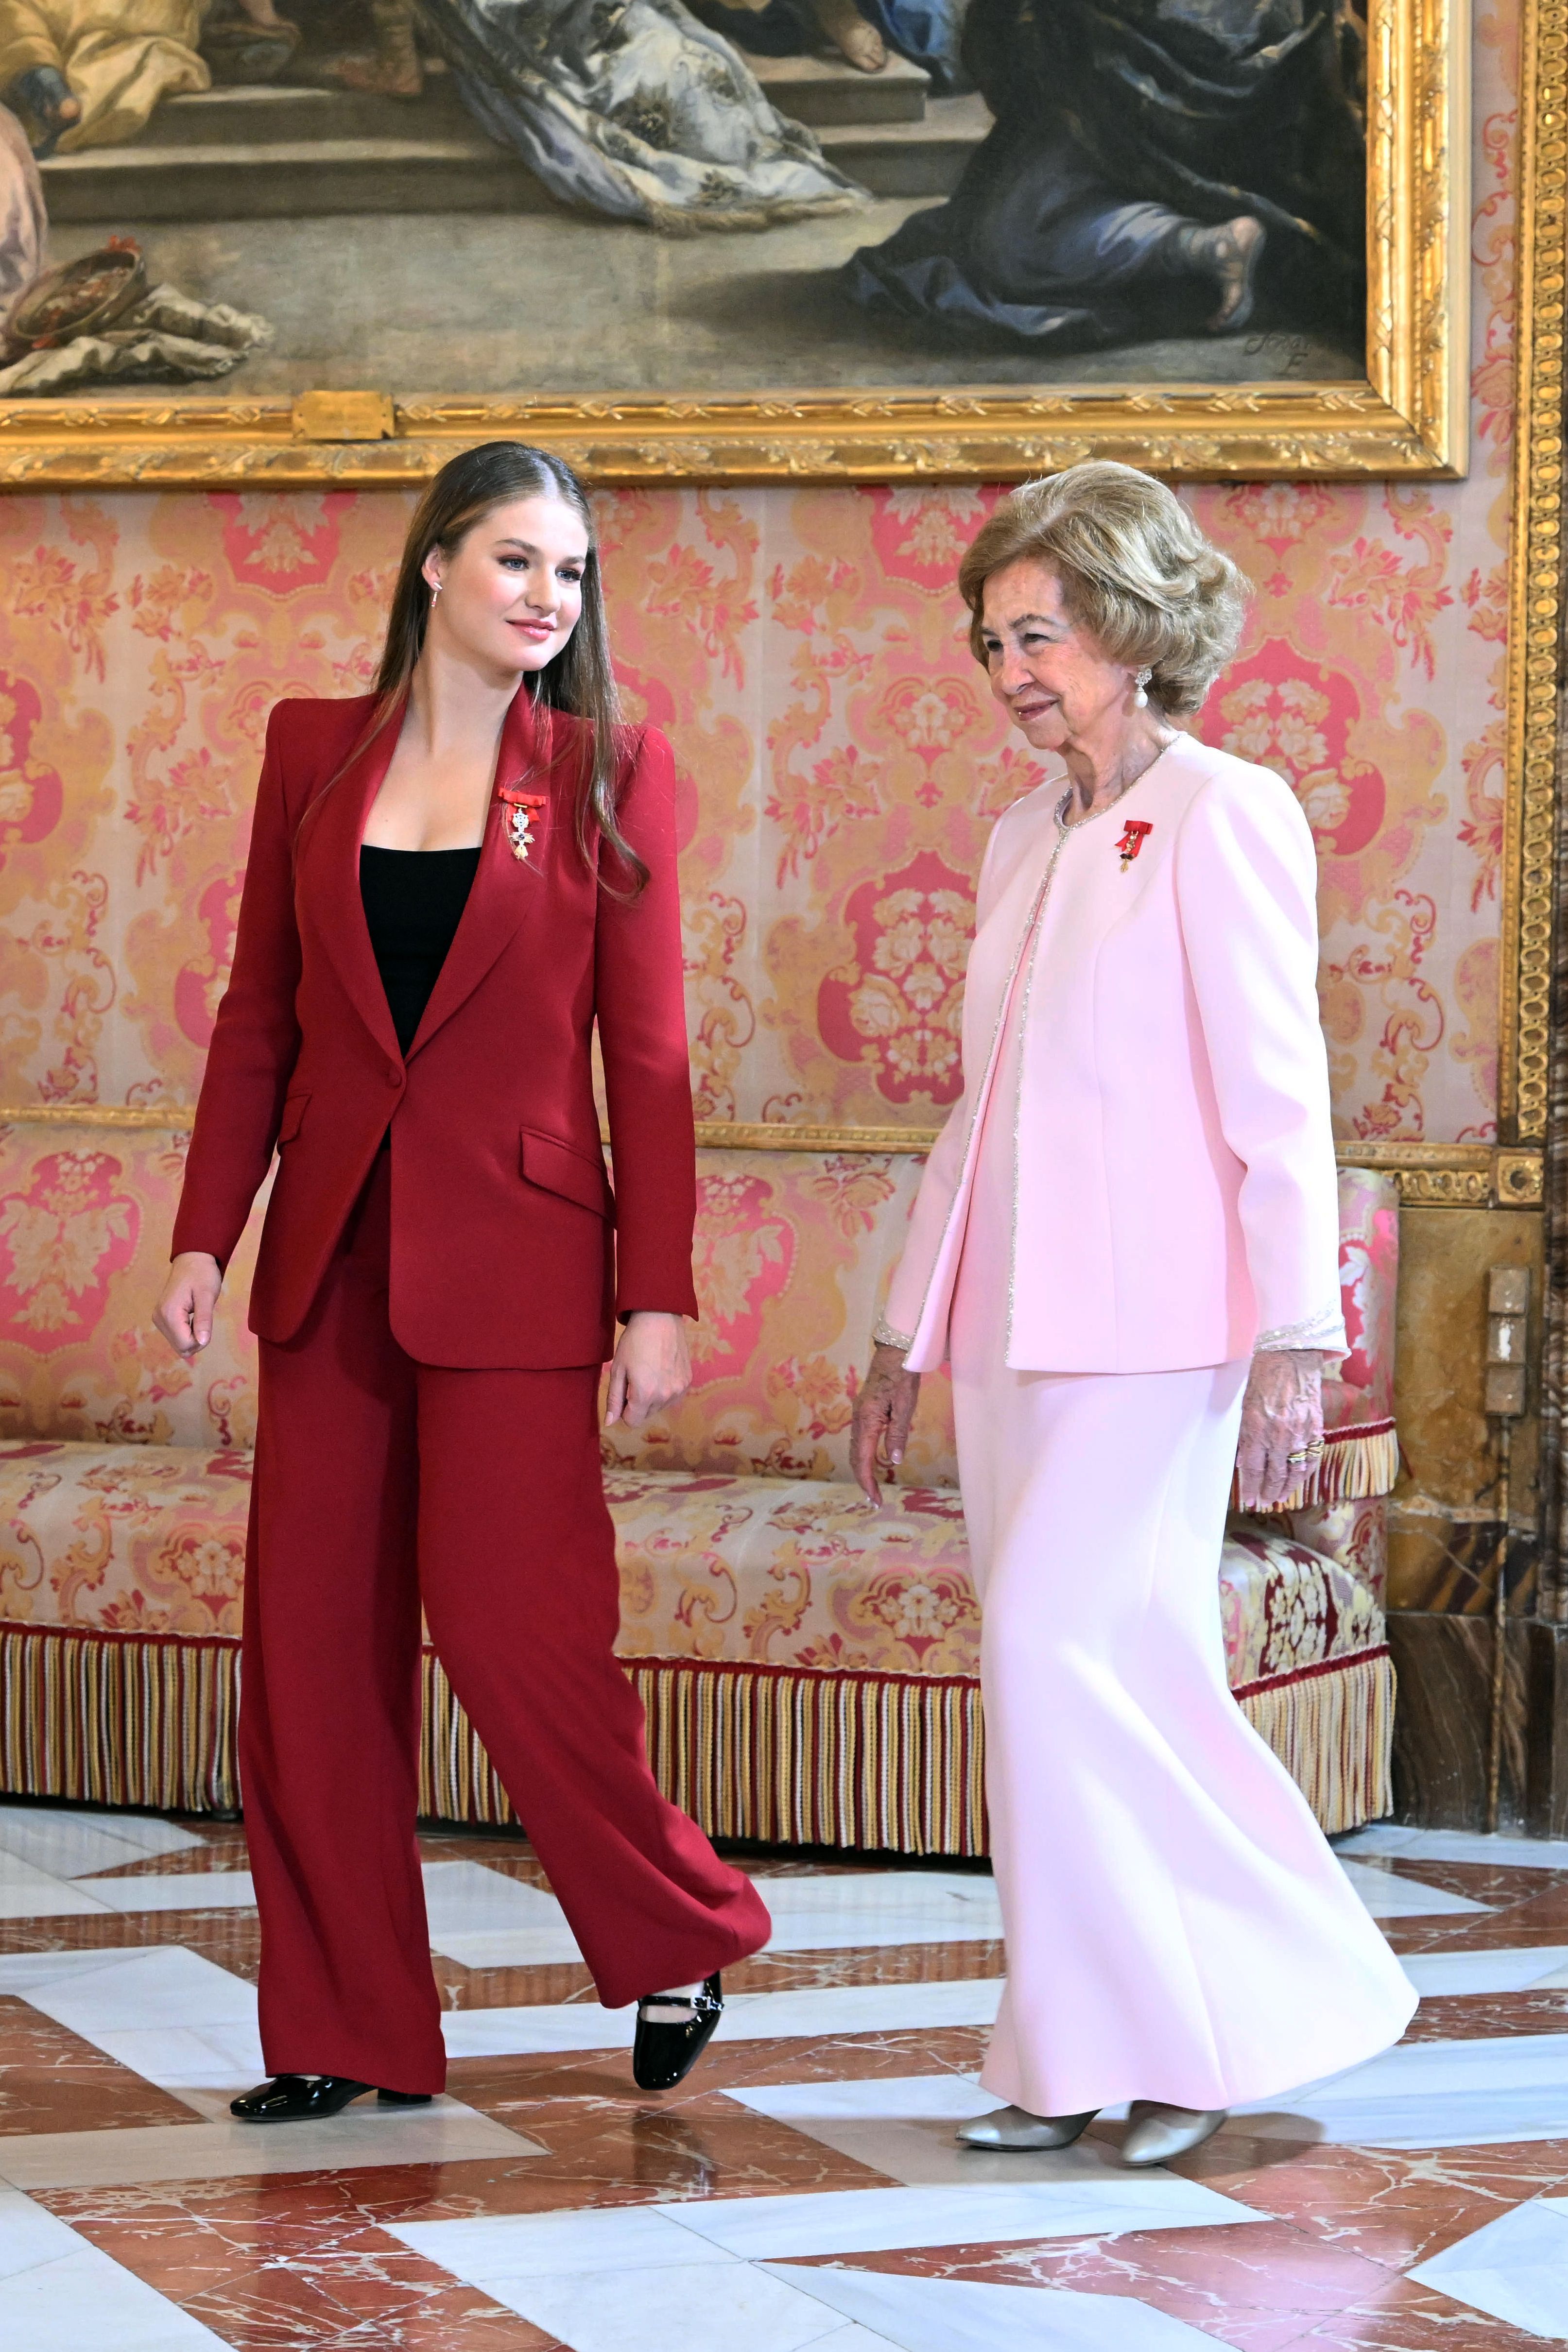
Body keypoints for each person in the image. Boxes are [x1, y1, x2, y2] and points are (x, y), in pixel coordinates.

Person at [155, 439, 770, 2121]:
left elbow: (642, 1055)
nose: (544, 599)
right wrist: (209, 1230)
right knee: (308, 1657)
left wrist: (658, 1294)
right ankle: (345, 2029)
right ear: (431, 564)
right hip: (332, 1257)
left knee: (520, 1633)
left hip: (518, 1260)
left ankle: (676, 1928)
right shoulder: (310, 752)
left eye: (567, 574)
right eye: (513, 561)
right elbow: (257, 1014)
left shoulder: (601, 771)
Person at [850, 462, 1414, 2166]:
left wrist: (1298, 1341)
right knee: (1053, 1686)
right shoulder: (1023, 831)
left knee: (1063, 1648)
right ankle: (1066, 2053)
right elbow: (983, 1101)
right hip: (1016, 1338)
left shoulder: (1226, 812)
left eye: (1040, 631)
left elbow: (1276, 1094)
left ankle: (1241, 2011)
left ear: (1130, 621)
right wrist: (901, 1331)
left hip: (1161, 1330)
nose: (1012, 667)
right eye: (990, 640)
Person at [840, 0, 1365, 349]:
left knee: (1008, 243)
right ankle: (1202, 245)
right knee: (1007, 236)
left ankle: (1199, 244)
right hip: (1146, 93)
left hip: (1147, 80)